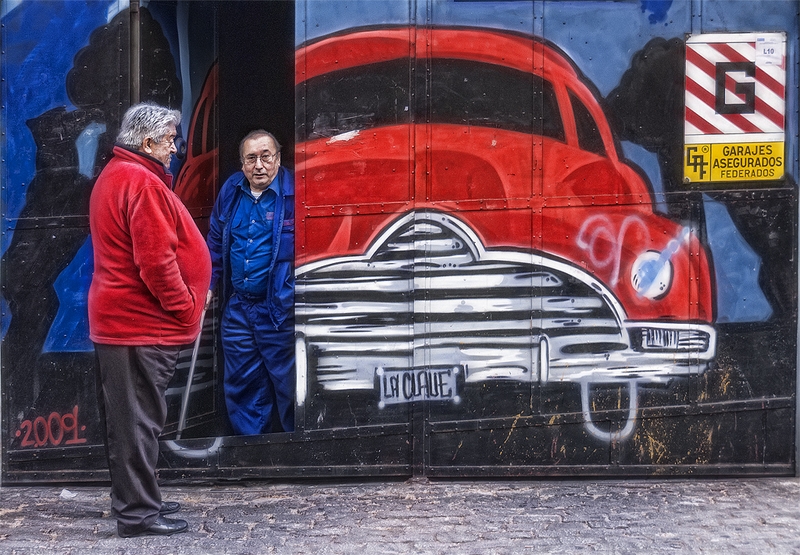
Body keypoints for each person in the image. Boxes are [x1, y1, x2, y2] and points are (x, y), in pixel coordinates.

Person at [89, 102, 211, 537]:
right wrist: (187, 305)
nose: (175, 148)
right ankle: (138, 514)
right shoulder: (141, 183)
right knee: (137, 422)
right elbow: (156, 264)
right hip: (139, 325)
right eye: (170, 140)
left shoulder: (119, 175)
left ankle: (141, 497)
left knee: (133, 419)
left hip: (127, 324)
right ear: (147, 142)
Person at [207, 130, 295, 435]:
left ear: (279, 159)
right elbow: (216, 242)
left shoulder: (296, 193)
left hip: (279, 308)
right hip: (239, 308)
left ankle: (295, 454)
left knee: (289, 384)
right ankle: (250, 450)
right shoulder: (231, 191)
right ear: (242, 165)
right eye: (251, 158)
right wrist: (208, 283)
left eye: (266, 156)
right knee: (242, 382)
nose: (259, 165)